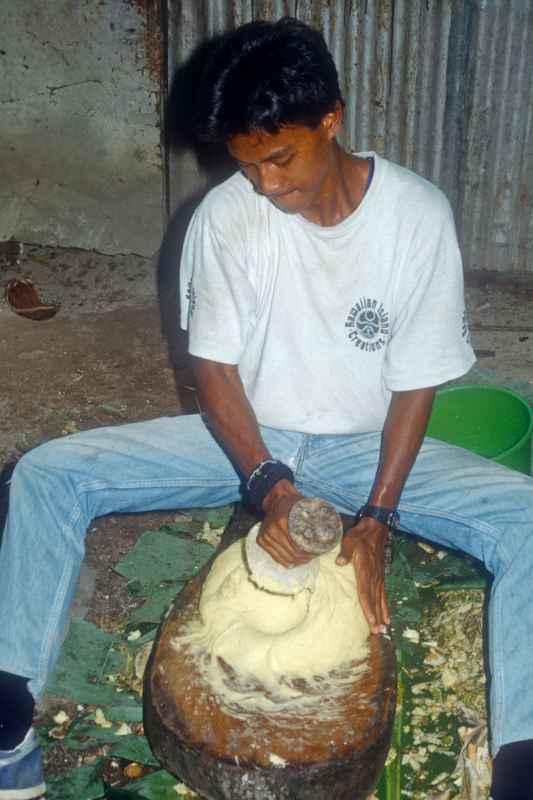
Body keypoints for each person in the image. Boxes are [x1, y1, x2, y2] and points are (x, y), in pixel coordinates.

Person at [0, 17, 531, 800]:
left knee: (526, 518)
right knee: (47, 473)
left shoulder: (416, 218)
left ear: (330, 119)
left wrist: (378, 517)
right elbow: (213, 369)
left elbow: (416, 381)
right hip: (247, 435)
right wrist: (268, 484)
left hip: (362, 444)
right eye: (250, 168)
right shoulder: (227, 216)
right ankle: (8, 726)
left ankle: (520, 764)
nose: (268, 187)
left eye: (281, 158)